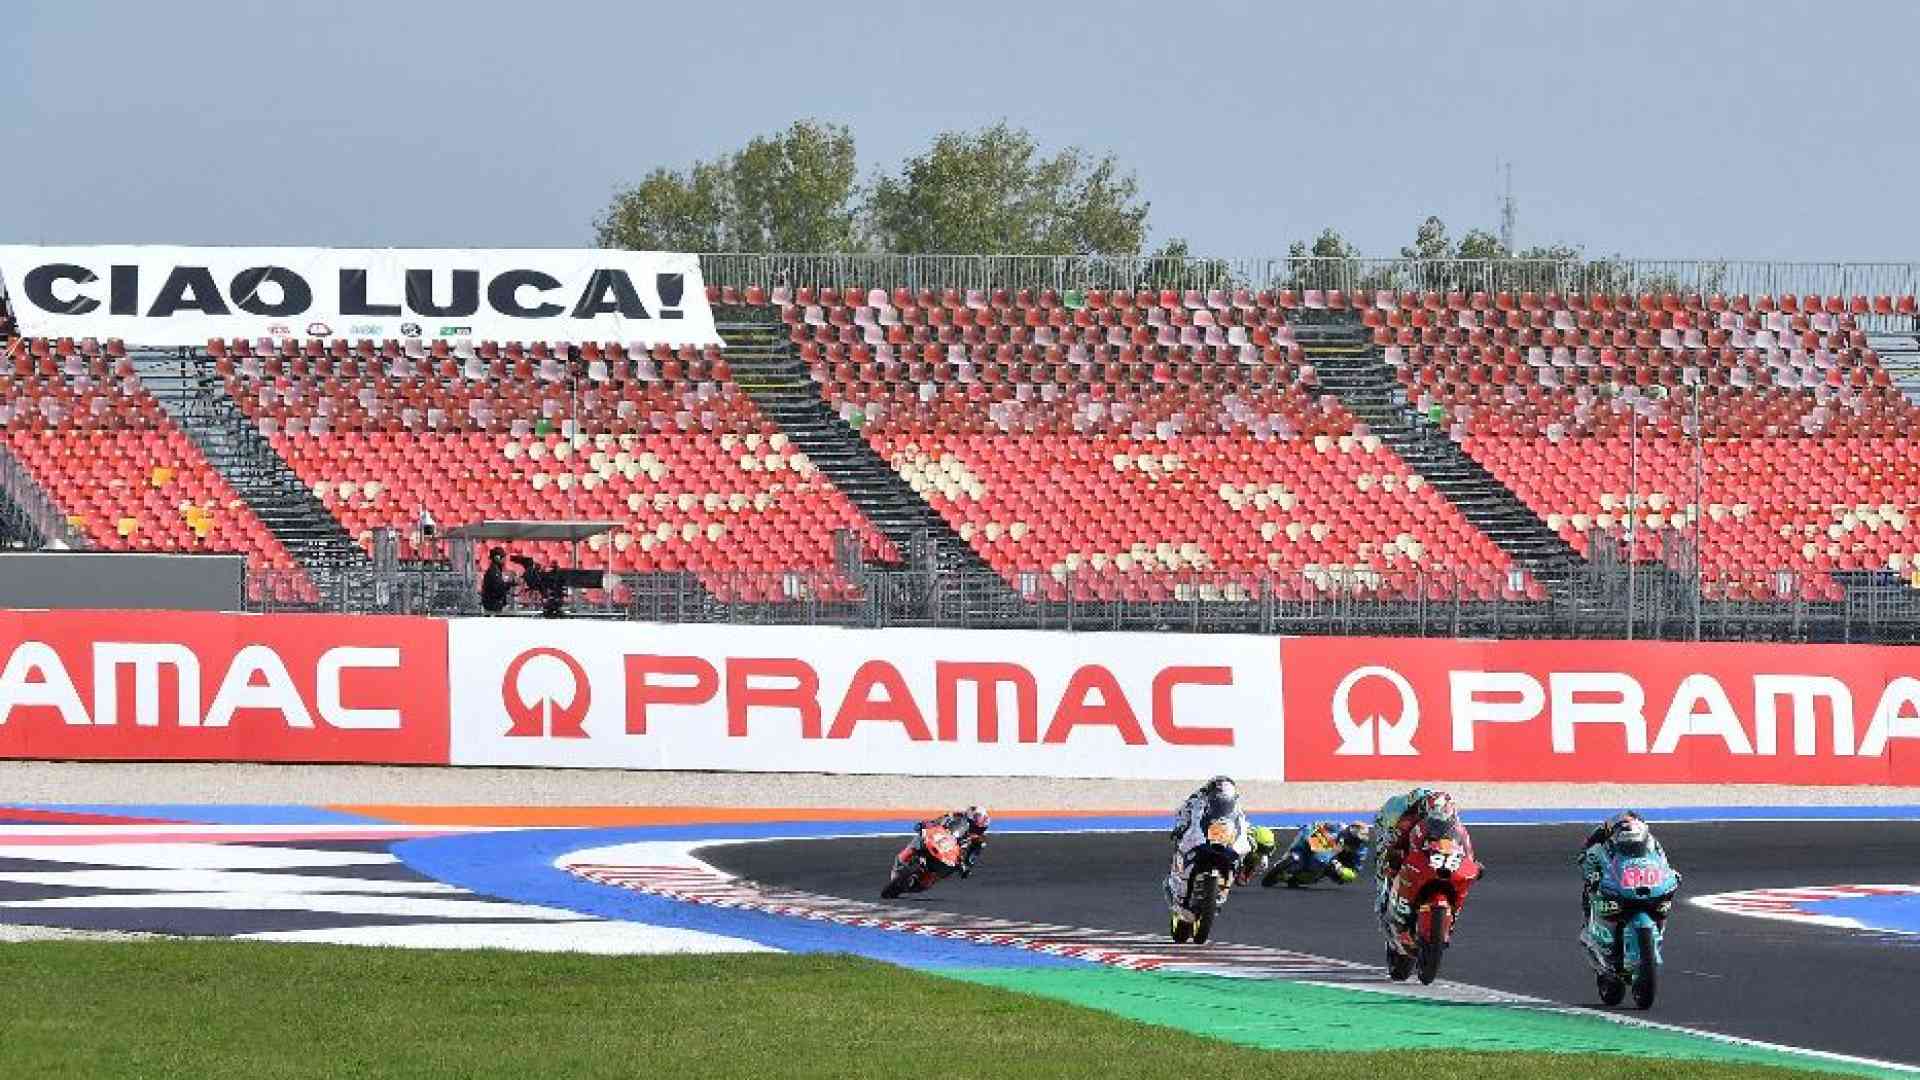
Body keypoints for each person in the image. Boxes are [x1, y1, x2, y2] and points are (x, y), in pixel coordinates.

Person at [1165, 776, 1252, 912]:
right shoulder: (1197, 799)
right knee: (1183, 847)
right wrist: (1180, 827)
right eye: (1219, 791)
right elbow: (1182, 812)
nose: (1222, 796)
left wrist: (1248, 835)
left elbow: (1243, 824)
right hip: (1201, 835)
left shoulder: (1236, 808)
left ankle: (1224, 890)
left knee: (1237, 857)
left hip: (1222, 839)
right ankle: (1178, 887)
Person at [1579, 811, 1669, 920]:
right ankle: (1589, 916)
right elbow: (1584, 854)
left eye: (1630, 822)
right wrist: (1592, 875)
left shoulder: (1650, 840)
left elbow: (1660, 857)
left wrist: (1666, 872)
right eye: (1626, 824)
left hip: (1637, 867)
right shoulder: (1603, 833)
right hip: (1616, 863)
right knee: (1590, 888)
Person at [920, 806, 990, 877]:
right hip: (945, 836)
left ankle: (934, 875)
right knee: (924, 830)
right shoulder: (960, 815)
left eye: (978, 818)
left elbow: (972, 856)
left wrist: (965, 864)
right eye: (976, 816)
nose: (976, 819)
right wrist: (933, 823)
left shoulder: (980, 840)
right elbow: (945, 818)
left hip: (954, 852)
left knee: (954, 868)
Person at [479, 547, 514, 614]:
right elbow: (498, 589)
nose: (504, 559)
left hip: (494, 605)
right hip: (493, 607)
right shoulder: (494, 571)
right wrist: (509, 584)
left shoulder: (496, 569)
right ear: (497, 558)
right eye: (503, 557)